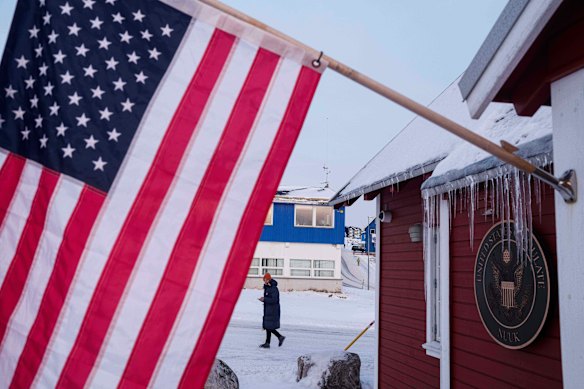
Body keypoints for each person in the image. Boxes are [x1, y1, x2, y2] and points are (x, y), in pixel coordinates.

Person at [258, 272, 285, 348]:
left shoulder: (273, 288)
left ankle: (279, 337)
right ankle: (268, 343)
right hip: (268, 309)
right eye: (264, 280)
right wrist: (264, 300)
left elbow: (274, 299)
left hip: (273, 310)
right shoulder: (268, 287)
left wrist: (264, 299)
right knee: (268, 325)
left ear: (269, 279)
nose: (264, 281)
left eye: (265, 279)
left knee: (269, 326)